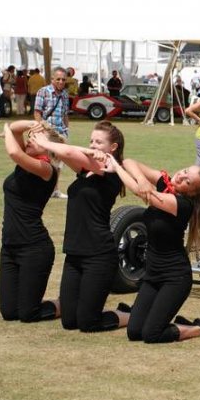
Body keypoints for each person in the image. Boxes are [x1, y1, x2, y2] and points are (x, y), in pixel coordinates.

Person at [105, 156, 200, 343]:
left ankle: (199, 328)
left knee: (152, 335)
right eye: (185, 171)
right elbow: (130, 162)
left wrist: (115, 166)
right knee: (134, 332)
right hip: (152, 275)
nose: (181, 176)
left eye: (187, 181)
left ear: (191, 192)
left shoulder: (182, 205)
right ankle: (176, 322)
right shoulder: (165, 183)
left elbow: (139, 191)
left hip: (174, 278)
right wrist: (142, 179)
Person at [31, 121, 130, 333]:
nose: (93, 145)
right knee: (69, 322)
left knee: (88, 323)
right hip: (75, 253)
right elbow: (66, 155)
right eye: (91, 141)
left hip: (99, 255)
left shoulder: (109, 169)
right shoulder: (85, 170)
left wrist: (46, 143)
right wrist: (44, 136)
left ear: (112, 147)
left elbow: (67, 151)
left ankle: (130, 315)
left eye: (99, 141)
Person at [0, 120, 63, 322]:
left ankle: (66, 302)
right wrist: (33, 124)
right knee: (9, 313)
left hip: (34, 249)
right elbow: (18, 132)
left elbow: (13, 152)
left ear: (47, 146)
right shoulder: (27, 160)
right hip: (9, 248)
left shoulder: (47, 169)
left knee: (28, 314)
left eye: (34, 139)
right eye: (30, 137)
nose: (29, 140)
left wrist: (6, 128)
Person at [34, 67, 70, 199]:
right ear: (52, 79)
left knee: (59, 164)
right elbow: (37, 112)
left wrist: (67, 130)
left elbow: (65, 114)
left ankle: (55, 190)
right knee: (46, 162)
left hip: (61, 132)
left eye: (63, 79)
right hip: (47, 132)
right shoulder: (43, 92)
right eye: (58, 79)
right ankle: (43, 190)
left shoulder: (65, 94)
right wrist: (40, 130)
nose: (61, 82)